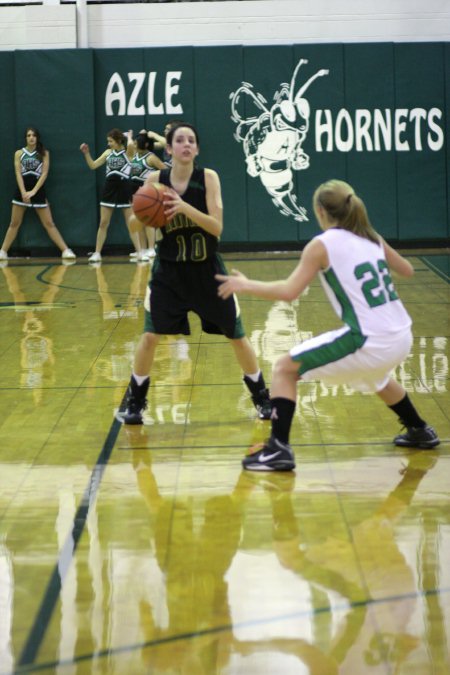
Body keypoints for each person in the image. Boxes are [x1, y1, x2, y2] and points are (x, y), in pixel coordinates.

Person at [216, 179, 440, 471]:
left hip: (367, 338)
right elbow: (408, 270)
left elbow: (289, 292)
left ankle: (278, 449)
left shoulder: (321, 245)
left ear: (320, 210)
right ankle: (419, 429)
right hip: (401, 335)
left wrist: (245, 285)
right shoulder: (371, 237)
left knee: (284, 367)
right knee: (377, 377)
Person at [118, 122, 271, 425]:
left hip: (207, 272)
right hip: (169, 273)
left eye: (191, 140)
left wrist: (182, 207)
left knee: (237, 336)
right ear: (170, 148)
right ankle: (136, 400)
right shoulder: (155, 179)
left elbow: (217, 227)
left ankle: (261, 397)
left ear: (197, 149)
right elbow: (134, 225)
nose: (186, 144)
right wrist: (145, 210)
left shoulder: (208, 178)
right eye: (180, 140)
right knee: (150, 336)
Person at [0, 127, 76, 262]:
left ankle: (65, 250)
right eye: (28, 135)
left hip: (38, 190)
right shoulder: (19, 153)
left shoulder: (44, 153)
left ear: (37, 138)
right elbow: (18, 173)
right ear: (25, 138)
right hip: (22, 191)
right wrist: (24, 192)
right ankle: (3, 251)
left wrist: (33, 192)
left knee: (49, 223)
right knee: (14, 223)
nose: (31, 137)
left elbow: (44, 173)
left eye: (33, 135)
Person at [80, 128, 146, 263]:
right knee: (104, 223)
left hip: (124, 189)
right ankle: (97, 253)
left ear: (118, 141)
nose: (108, 143)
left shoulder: (128, 152)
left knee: (131, 223)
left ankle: (140, 253)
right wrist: (86, 153)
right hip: (109, 189)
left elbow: (131, 145)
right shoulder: (108, 153)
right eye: (108, 141)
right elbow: (93, 165)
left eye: (110, 141)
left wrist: (129, 137)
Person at [128, 130, 165, 259]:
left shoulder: (151, 157)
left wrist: (155, 185)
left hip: (146, 192)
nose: (133, 144)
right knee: (139, 221)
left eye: (136, 142)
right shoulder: (134, 155)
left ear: (144, 145)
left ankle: (151, 248)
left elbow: (165, 170)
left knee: (148, 221)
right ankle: (142, 249)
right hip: (133, 190)